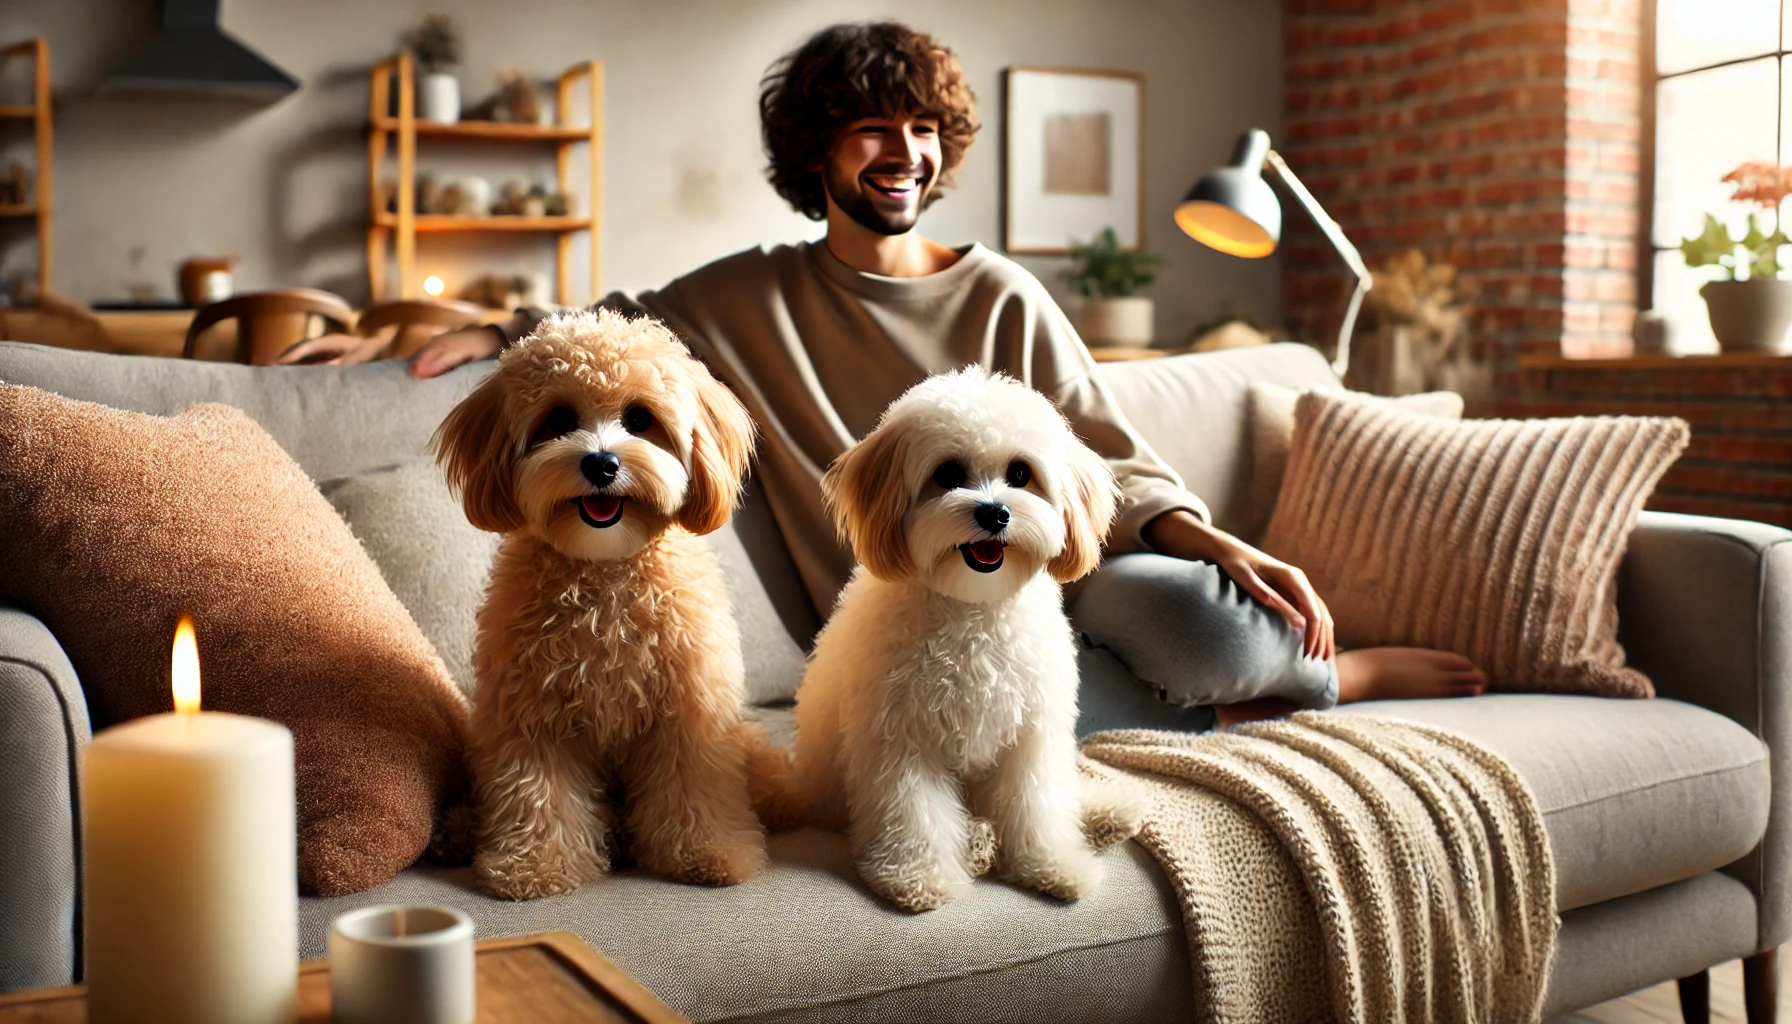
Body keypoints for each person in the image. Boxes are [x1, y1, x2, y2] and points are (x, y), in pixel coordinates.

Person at [286, 22, 1486, 727]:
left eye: (920, 128)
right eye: (870, 128)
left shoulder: (1001, 289)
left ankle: (1338, 673)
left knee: (1198, 628)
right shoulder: (742, 298)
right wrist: (410, 326)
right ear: (818, 152)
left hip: (1042, 592)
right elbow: (592, 330)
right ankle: (1199, 717)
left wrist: (1214, 541)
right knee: (923, 708)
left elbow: (1102, 447)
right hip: (886, 628)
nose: (901, 151)